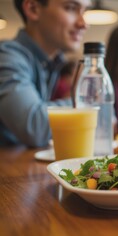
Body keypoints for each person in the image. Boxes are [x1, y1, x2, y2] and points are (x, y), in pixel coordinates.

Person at [0, 0, 90, 147]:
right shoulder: (6, 56)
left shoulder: (50, 62)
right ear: (33, 9)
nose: (83, 23)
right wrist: (89, 102)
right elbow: (34, 128)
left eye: (85, 11)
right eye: (71, 8)